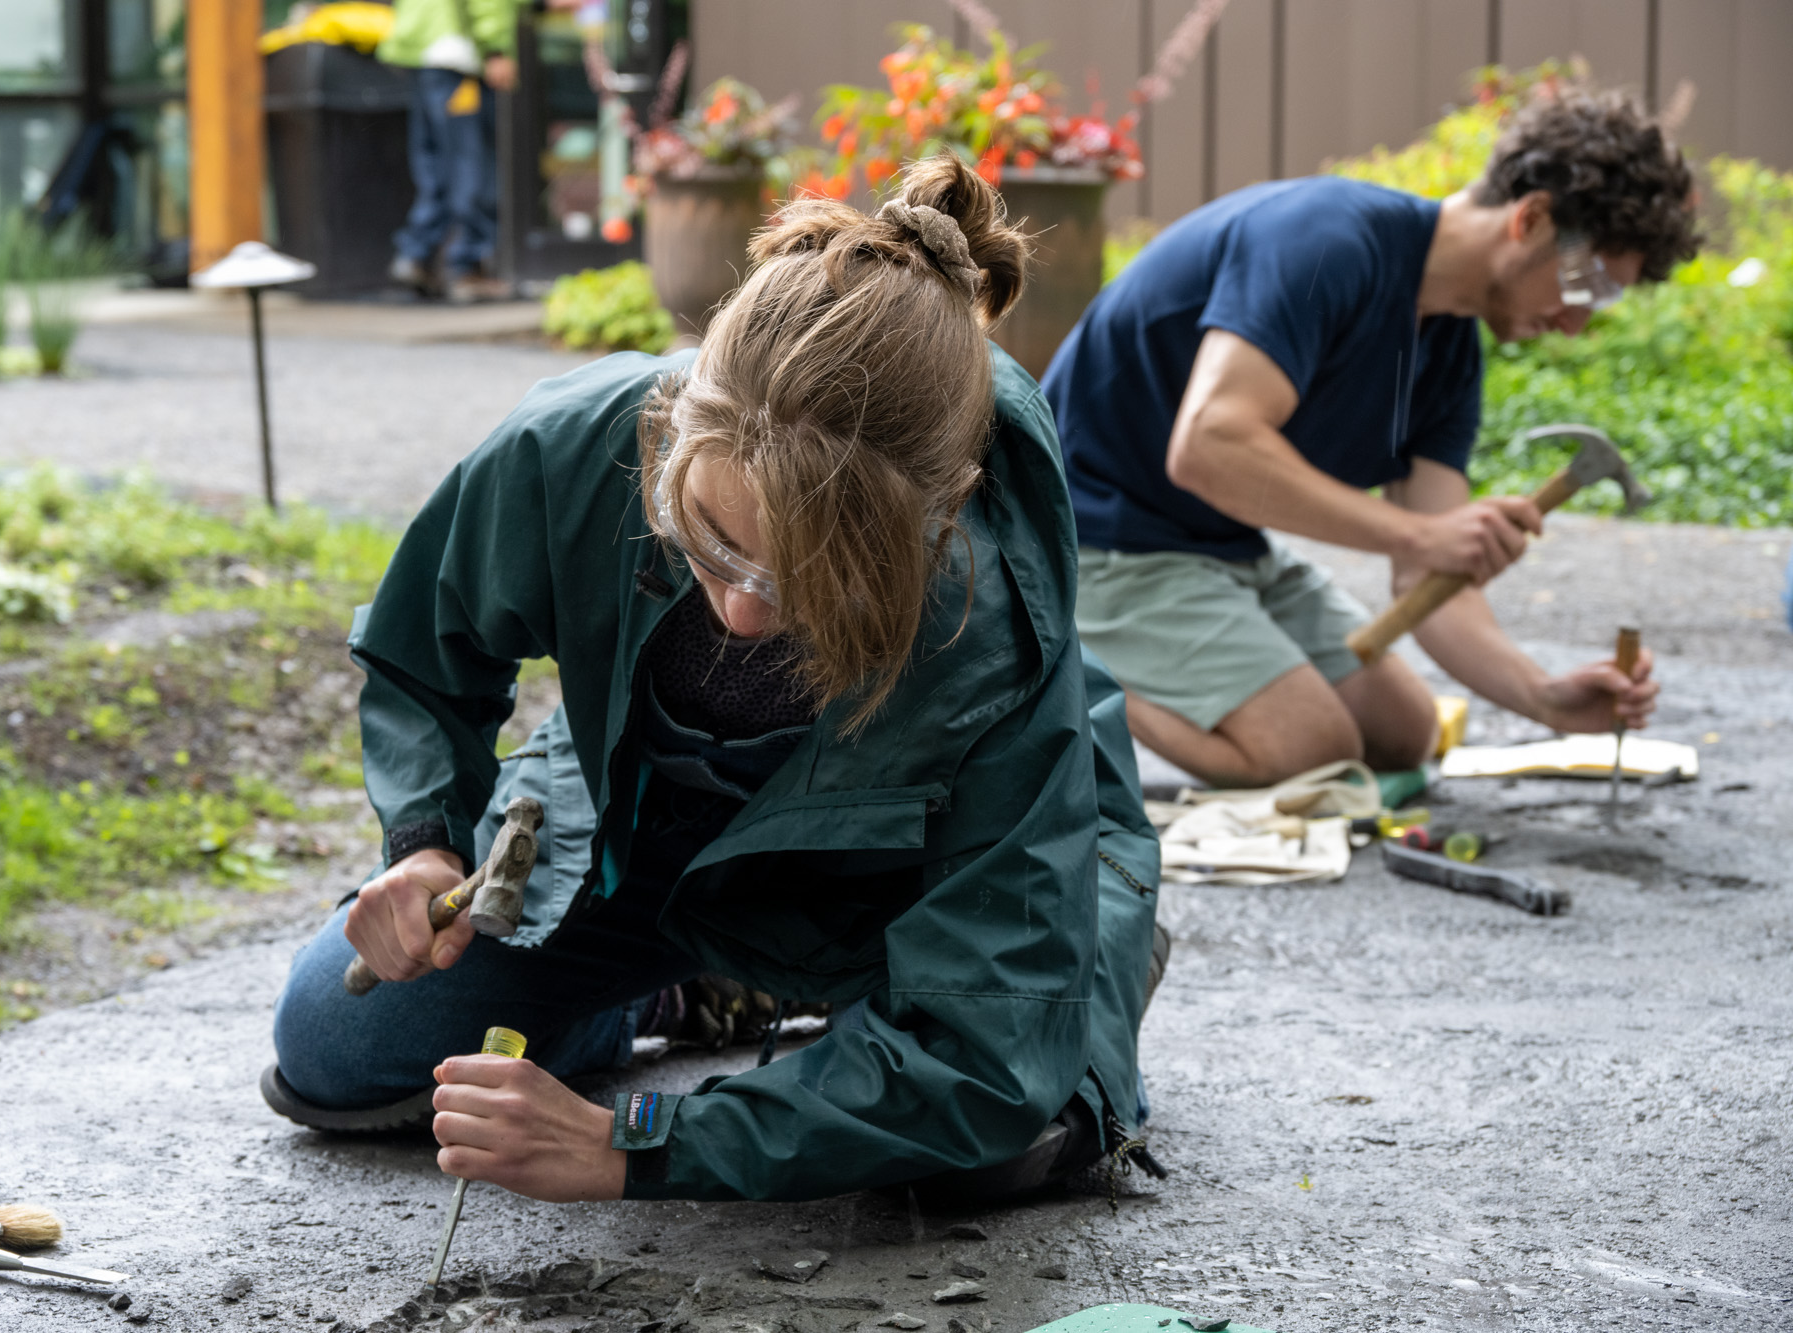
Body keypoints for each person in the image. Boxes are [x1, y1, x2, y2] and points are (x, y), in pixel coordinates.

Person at [262, 155, 1166, 1204]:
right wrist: (426, 842)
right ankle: (685, 993)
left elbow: (981, 1061)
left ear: (942, 515)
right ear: (676, 427)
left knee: (995, 1141)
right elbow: (428, 643)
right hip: (649, 819)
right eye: (711, 543)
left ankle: (1090, 933)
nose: (741, 611)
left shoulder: (990, 617)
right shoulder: (575, 442)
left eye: (805, 583)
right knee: (335, 1037)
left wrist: (639, 1140)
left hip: (911, 869)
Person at [1044, 90, 1697, 789]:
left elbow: (1429, 572)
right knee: (1312, 750)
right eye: (1586, 283)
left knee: (1403, 732)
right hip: (1093, 535)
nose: (1577, 324)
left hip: (1220, 545)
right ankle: (1061, 664)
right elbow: (1209, 445)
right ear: (1530, 218)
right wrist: (1418, 536)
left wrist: (1543, 696)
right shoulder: (1325, 240)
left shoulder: (1449, 352)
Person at [377, 0, 517, 299]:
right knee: (471, 160)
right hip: (456, 52)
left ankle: (417, 255)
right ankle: (466, 266)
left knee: (436, 161)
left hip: (419, 45)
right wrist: (496, 48)